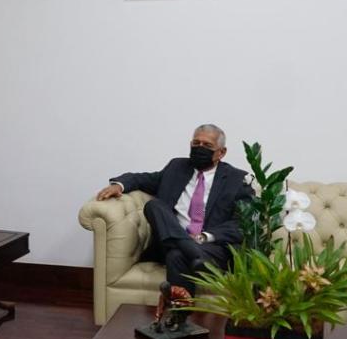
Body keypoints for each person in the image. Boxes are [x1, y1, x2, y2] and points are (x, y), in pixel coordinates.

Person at [95, 124, 254, 295]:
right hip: (177, 243)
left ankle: (179, 310)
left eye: (207, 145)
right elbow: (143, 179)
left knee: (176, 256)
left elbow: (242, 223)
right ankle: (191, 250)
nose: (200, 148)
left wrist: (203, 237)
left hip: (211, 248)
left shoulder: (237, 179)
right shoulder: (176, 167)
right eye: (196, 143)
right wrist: (119, 185)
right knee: (154, 206)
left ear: (221, 152)